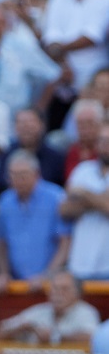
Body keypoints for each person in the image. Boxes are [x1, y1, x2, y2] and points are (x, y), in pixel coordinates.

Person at [0, 151, 71, 292]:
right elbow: (1, 243)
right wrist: (3, 273)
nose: (18, 180)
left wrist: (47, 276)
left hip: (50, 285)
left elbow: (65, 243)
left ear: (36, 174)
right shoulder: (5, 201)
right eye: (13, 175)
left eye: (23, 175)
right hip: (15, 285)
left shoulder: (56, 197)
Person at [0, 270, 100, 345]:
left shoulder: (86, 312)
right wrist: (21, 328)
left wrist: (55, 338)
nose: (58, 293)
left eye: (65, 289)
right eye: (54, 289)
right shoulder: (39, 311)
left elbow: (92, 338)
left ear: (77, 294)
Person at [60, 120, 109, 280]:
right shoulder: (82, 170)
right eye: (102, 140)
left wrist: (84, 194)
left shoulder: (82, 184)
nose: (105, 145)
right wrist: (100, 200)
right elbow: (64, 210)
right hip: (80, 263)